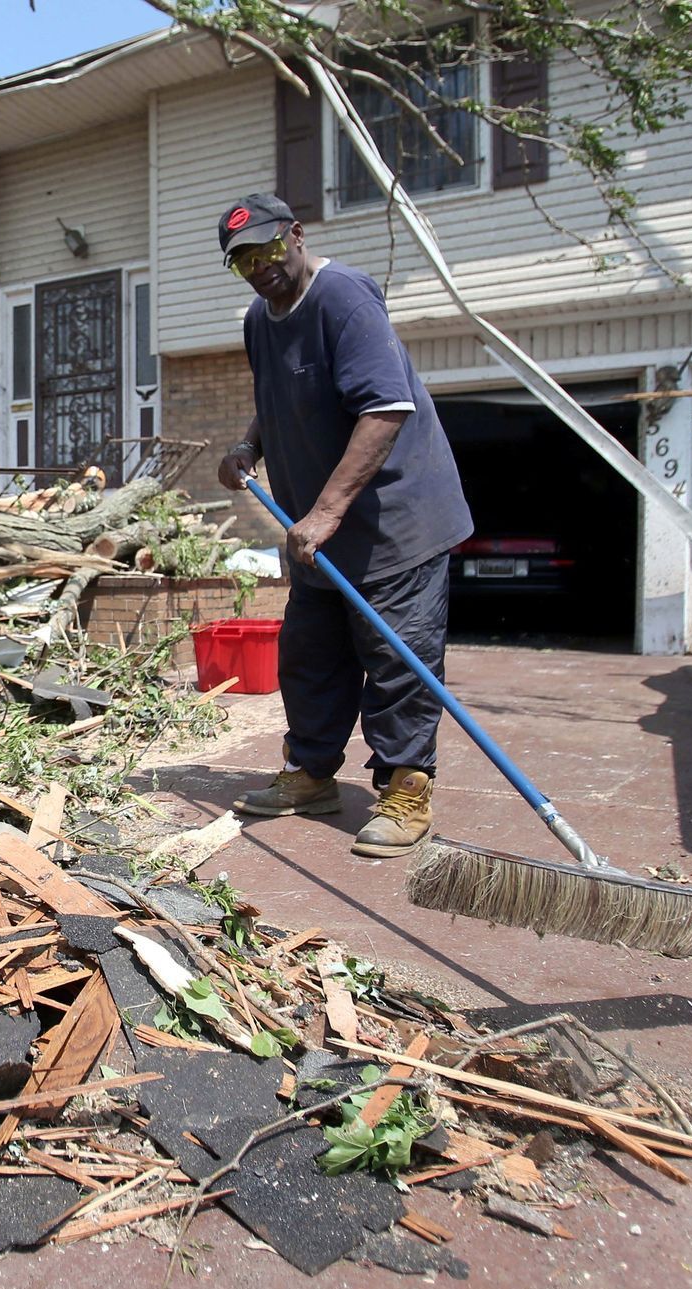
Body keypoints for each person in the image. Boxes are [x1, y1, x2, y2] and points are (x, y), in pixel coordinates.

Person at [214, 193, 473, 857]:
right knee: (310, 659)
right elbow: (277, 397)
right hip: (318, 537)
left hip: (396, 527)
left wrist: (325, 511)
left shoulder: (344, 297)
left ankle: (404, 788)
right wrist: (251, 445)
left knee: (397, 664)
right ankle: (311, 774)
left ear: (295, 234)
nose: (258, 267)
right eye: (241, 260)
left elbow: (385, 409)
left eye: (267, 249)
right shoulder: (258, 319)